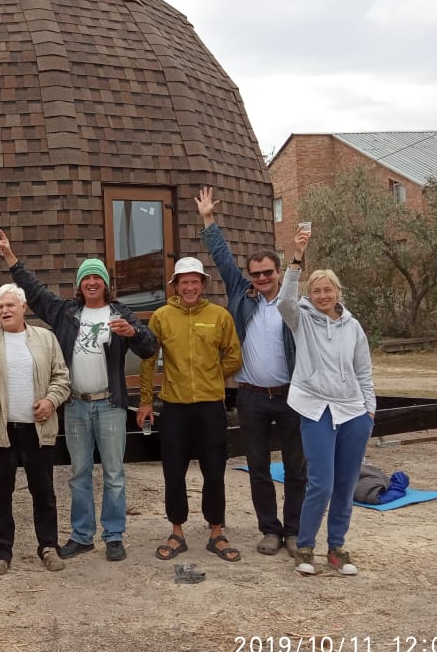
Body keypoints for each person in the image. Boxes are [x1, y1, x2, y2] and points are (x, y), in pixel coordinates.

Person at [0, 229, 157, 562]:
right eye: (86, 278)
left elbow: (150, 347)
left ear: (105, 283)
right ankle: (82, 536)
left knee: (113, 474)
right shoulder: (66, 312)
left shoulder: (120, 314)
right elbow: (34, 293)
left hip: (110, 405)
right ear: (79, 285)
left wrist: (134, 331)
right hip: (77, 405)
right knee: (79, 473)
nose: (91, 282)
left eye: (97, 277)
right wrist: (11, 258)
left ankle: (113, 536)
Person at [196, 186, 305, 558]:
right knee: (259, 467)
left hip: (291, 395)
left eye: (267, 273)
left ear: (278, 272)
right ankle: (270, 531)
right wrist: (208, 218)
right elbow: (223, 258)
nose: (261, 278)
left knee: (295, 468)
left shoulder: (293, 303)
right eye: (256, 274)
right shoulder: (244, 295)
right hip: (252, 396)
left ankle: (294, 532)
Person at [277, 227, 375, 576]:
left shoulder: (352, 326)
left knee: (347, 482)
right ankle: (305, 547)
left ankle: (337, 548)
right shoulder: (301, 318)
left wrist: (369, 410)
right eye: (316, 290)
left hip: (353, 412)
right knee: (322, 482)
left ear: (337, 293)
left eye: (327, 289)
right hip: (316, 409)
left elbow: (364, 370)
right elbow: (285, 300)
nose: (321, 295)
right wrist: (297, 258)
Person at [0, 284, 71, 576]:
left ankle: (48, 546)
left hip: (38, 430)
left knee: (44, 493)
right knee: (0, 495)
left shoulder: (45, 338)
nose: (4, 311)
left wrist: (50, 400)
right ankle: (1, 551)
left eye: (10, 305)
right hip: (1, 432)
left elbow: (62, 378)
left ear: (23, 308)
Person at [137, 257, 243, 563]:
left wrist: (211, 375)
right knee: (174, 472)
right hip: (174, 408)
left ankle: (216, 532)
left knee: (214, 470)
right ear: (175, 285)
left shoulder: (219, 316)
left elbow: (235, 357)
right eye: (184, 282)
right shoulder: (162, 317)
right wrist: (146, 400)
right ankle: (177, 531)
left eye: (195, 281)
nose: (190, 287)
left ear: (203, 284)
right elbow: (147, 359)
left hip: (211, 406)